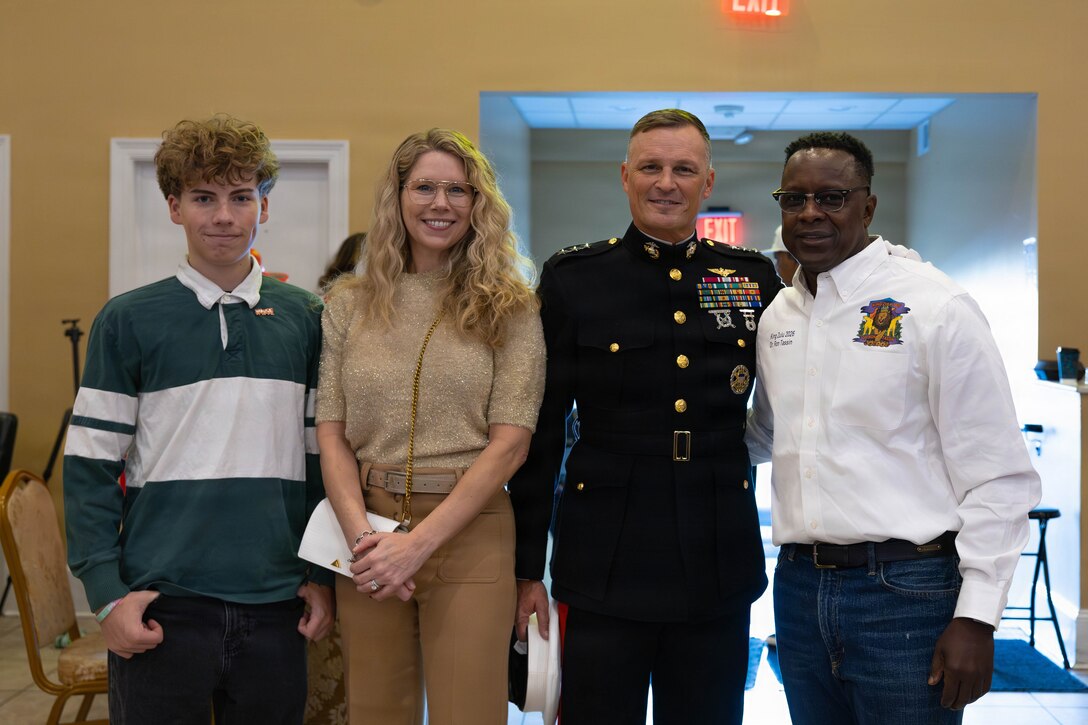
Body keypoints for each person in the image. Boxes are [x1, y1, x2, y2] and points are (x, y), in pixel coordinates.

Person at [746, 131, 1042, 724]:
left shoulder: (935, 306)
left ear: (868, 206)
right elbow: (766, 435)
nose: (810, 214)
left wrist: (977, 616)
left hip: (907, 594)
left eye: (832, 198)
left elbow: (999, 476)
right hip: (800, 591)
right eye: (793, 198)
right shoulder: (781, 312)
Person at [509, 109, 782, 725]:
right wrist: (528, 569)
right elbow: (543, 430)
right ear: (625, 176)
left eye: (684, 169)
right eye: (651, 167)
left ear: (707, 183)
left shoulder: (749, 277)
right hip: (606, 551)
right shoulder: (576, 279)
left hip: (716, 548)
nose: (667, 182)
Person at [63, 115, 335, 724]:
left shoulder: (309, 318)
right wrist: (106, 595)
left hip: (277, 599)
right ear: (173, 206)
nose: (223, 216)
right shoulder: (127, 320)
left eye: (242, 197)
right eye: (203, 198)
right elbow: (89, 468)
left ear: (264, 205)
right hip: (163, 600)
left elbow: (325, 461)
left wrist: (321, 574)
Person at [315, 128, 544, 725]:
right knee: (376, 711)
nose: (439, 204)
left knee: (469, 712)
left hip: (471, 531)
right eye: (423, 187)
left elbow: (511, 444)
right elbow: (331, 434)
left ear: (478, 205)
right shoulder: (348, 304)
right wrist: (365, 541)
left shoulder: (512, 306)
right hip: (365, 528)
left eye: (457, 190)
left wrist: (416, 546)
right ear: (397, 198)